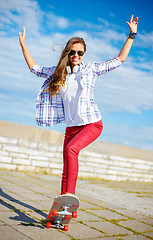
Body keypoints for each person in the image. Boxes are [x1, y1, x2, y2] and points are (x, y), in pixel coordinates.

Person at [19, 15, 138, 196]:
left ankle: (69, 197)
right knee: (66, 166)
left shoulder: (90, 70)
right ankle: (64, 205)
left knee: (71, 149)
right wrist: (23, 46)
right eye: (72, 52)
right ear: (67, 53)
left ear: (83, 55)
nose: (76, 55)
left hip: (92, 124)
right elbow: (35, 68)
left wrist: (131, 35)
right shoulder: (58, 73)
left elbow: (119, 59)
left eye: (80, 53)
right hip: (71, 127)